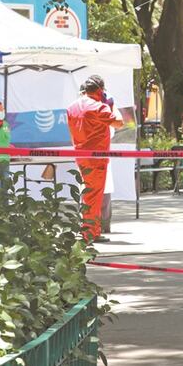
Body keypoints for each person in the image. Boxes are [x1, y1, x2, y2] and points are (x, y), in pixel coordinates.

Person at [67, 75, 123, 242]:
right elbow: (119, 122)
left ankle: (88, 229)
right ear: (100, 90)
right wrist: (113, 106)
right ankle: (91, 233)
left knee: (87, 194)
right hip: (97, 157)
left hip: (80, 155)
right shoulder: (99, 107)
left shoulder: (72, 107)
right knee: (94, 196)